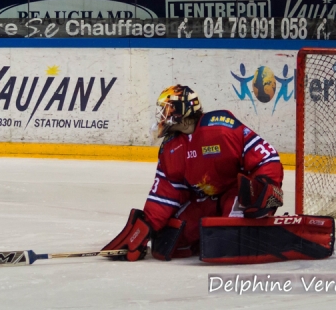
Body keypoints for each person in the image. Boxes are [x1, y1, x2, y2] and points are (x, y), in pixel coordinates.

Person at [102, 85, 287, 261]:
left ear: (180, 111)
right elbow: (165, 193)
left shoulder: (221, 128)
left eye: (166, 109)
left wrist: (267, 182)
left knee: (229, 236)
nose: (162, 115)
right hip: (203, 200)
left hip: (236, 192)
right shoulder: (171, 148)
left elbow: (266, 156)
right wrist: (146, 226)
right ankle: (206, 235)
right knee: (168, 241)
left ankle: (260, 231)